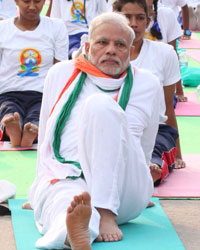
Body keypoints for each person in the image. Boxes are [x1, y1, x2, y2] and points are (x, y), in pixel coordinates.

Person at [25, 12, 161, 249]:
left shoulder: (148, 82)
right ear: (87, 46)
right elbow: (47, 134)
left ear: (129, 51)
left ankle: (105, 212)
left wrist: (140, 184)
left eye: (120, 44)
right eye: (102, 42)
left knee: (99, 105)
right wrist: (39, 185)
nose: (111, 50)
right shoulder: (60, 74)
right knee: (65, 200)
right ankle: (72, 234)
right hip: (69, 173)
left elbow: (146, 145)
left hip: (125, 190)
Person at [112, 0, 186, 185]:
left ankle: (149, 171)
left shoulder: (164, 53)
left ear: (148, 21)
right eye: (126, 17)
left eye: (140, 17)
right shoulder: (106, 54)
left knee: (154, 154)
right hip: (116, 126)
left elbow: (168, 108)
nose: (134, 23)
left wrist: (178, 153)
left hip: (157, 129)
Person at [0, 0, 69, 147]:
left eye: (37, 1)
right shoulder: (2, 29)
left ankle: (32, 130)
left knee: (39, 113)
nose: (32, 6)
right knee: (8, 109)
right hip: (8, 93)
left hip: (42, 94)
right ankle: (12, 127)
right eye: (26, 1)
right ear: (16, 1)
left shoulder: (56, 27)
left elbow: (60, 69)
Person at [145, 0, 187, 103]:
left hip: (160, 83)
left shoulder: (166, 15)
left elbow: (173, 54)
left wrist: (179, 90)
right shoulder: (125, 14)